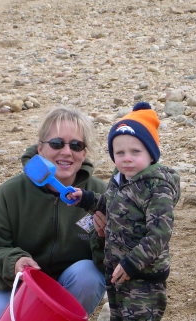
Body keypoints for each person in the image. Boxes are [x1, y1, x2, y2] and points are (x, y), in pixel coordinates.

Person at [0, 106, 107, 321]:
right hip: (16, 282)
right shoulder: (11, 193)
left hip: (68, 284)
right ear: (40, 147)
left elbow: (113, 261)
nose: (66, 152)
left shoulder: (99, 194)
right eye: (56, 143)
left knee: (89, 274)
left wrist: (104, 239)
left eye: (76, 145)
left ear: (84, 152)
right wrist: (14, 263)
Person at [67, 102, 181, 321]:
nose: (126, 158)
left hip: (143, 275)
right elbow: (112, 205)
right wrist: (87, 199)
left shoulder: (157, 187)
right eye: (119, 152)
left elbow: (160, 233)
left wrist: (132, 263)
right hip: (117, 269)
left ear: (151, 154)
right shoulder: (120, 179)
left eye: (135, 151)